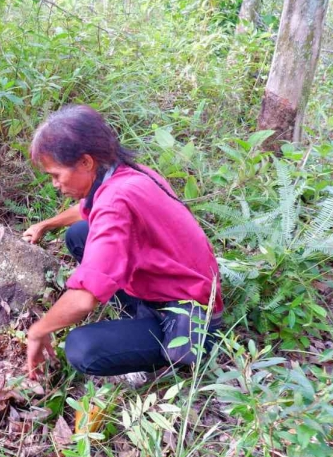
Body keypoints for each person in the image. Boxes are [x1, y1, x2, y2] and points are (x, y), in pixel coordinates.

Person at [21, 105, 223, 381]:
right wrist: (46, 225)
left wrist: (38, 331)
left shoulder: (115, 202)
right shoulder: (128, 174)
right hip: (180, 284)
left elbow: (83, 298)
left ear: (86, 162)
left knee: (82, 349)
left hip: (189, 320)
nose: (55, 184)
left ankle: (163, 362)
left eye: (56, 175)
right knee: (79, 234)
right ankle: (136, 321)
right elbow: (87, 209)